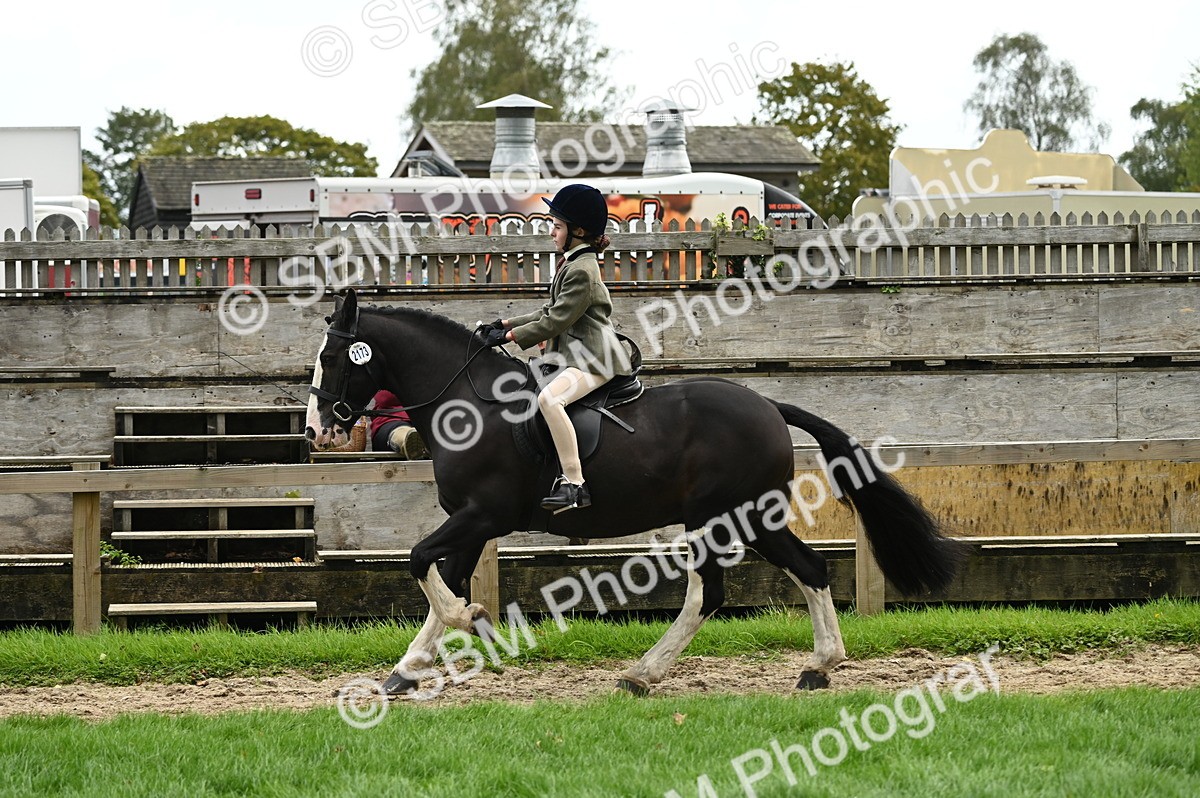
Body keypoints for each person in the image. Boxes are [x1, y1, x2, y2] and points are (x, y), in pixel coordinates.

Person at [477, 184, 632, 513]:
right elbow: (548, 310)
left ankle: (574, 485)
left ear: (578, 231)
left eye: (557, 226)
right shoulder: (572, 263)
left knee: (550, 399)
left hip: (595, 359)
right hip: (577, 354)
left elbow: (555, 321)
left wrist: (509, 338)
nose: (551, 232)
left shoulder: (582, 271)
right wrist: (504, 323)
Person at [369, 389, 429, 459]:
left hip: (426, 422)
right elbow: (385, 398)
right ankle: (408, 442)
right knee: (402, 433)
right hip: (391, 421)